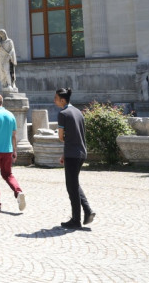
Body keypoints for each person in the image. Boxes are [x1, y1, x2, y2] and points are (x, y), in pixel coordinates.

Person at [54, 88, 94, 229]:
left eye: (56, 98)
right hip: (81, 152)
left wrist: (66, 150)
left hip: (72, 154)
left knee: (71, 187)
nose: (54, 100)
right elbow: (77, 135)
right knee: (74, 184)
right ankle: (88, 211)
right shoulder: (78, 112)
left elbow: (60, 137)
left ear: (62, 100)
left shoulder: (63, 114)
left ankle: (76, 220)